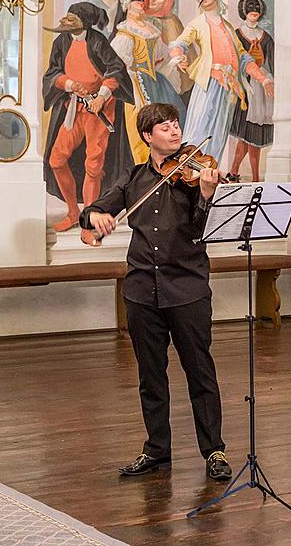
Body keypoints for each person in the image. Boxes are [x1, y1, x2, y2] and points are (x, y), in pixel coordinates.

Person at [80, 103, 232, 481]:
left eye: (176, 125)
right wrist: (95, 216)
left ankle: (214, 450)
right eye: (165, 128)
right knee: (151, 376)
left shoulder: (196, 173)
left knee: (200, 372)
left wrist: (208, 195)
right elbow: (94, 212)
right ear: (148, 136)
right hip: (141, 290)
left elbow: (202, 228)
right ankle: (157, 451)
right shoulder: (133, 179)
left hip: (188, 288)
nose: (175, 132)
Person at [42, 2, 133, 242]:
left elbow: (116, 70)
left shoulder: (97, 41)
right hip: (74, 107)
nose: (66, 20)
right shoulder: (61, 42)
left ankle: (88, 222)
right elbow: (52, 73)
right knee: (56, 160)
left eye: (72, 17)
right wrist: (69, 84)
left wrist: (102, 96)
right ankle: (73, 212)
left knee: (93, 167)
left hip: (99, 111)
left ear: (85, 21)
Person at [169, 0, 274, 163]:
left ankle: (210, 171)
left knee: (219, 133)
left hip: (229, 88)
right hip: (209, 83)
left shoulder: (228, 27)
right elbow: (181, 42)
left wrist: (264, 79)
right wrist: (178, 56)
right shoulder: (198, 23)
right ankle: (191, 172)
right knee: (200, 128)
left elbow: (243, 58)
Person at [110, 0, 186, 164]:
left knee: (175, 114)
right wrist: (132, 77)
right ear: (127, 5)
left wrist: (175, 60)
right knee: (146, 124)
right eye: (136, 1)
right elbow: (116, 64)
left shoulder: (150, 29)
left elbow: (162, 57)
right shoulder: (125, 32)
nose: (140, 4)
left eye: (141, 1)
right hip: (136, 84)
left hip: (157, 82)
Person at [227, 0, 275, 183]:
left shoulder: (266, 37)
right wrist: (243, 83)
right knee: (247, 136)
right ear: (244, 10)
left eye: (257, 7)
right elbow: (235, 62)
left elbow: (272, 63)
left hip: (263, 89)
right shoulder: (237, 35)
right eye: (250, 7)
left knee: (252, 137)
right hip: (244, 90)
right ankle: (243, 175)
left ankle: (238, 173)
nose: (254, 10)